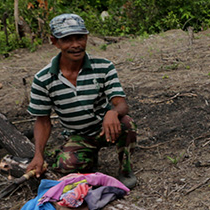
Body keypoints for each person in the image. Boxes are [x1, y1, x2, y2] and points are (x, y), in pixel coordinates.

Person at [27, 13, 137, 189]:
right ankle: (88, 158)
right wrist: (38, 154)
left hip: (105, 128)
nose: (76, 45)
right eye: (67, 40)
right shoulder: (43, 78)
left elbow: (121, 103)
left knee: (127, 123)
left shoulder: (103, 66)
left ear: (86, 37)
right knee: (65, 165)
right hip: (77, 135)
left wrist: (113, 112)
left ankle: (125, 169)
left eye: (80, 38)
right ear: (54, 42)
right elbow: (42, 121)